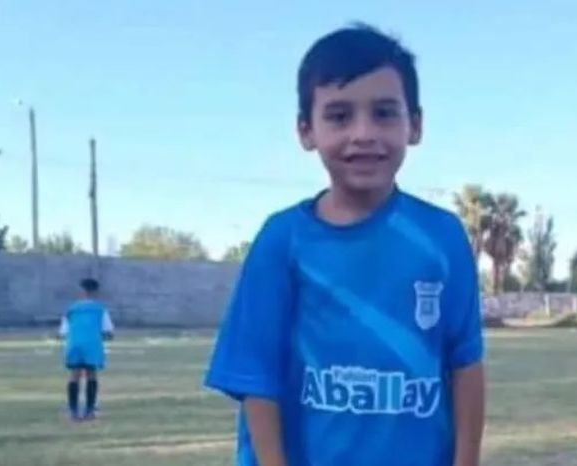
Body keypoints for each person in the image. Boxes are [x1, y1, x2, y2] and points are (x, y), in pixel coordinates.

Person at [204, 24, 485, 466]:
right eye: (339, 116)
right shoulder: (282, 240)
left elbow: (464, 363)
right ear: (305, 130)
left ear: (415, 125)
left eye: (384, 113)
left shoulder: (443, 236)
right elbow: (256, 378)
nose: (363, 133)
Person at [58, 278, 114, 421]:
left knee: (74, 376)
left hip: (74, 344)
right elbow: (108, 331)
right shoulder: (100, 309)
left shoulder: (71, 309)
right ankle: (90, 411)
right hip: (92, 345)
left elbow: (63, 332)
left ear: (81, 291)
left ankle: (73, 411)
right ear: (96, 292)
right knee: (91, 375)